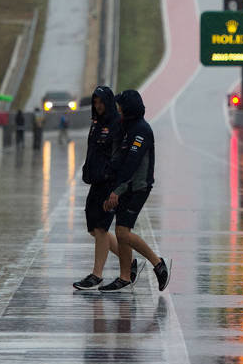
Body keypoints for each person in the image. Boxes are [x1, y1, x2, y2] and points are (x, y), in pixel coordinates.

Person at [99, 89, 170, 292]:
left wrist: (117, 191)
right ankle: (124, 276)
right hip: (124, 187)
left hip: (138, 186)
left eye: (120, 106)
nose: (117, 109)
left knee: (122, 232)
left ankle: (158, 264)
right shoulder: (125, 128)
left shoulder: (141, 130)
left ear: (128, 109)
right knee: (121, 232)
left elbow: (131, 163)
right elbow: (117, 159)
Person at [73, 86, 136, 290]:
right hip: (95, 182)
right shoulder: (96, 123)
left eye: (101, 102)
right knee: (94, 229)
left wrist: (115, 184)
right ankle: (129, 260)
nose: (98, 106)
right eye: (95, 102)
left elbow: (120, 156)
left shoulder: (117, 124)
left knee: (101, 228)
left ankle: (96, 275)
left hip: (109, 183)